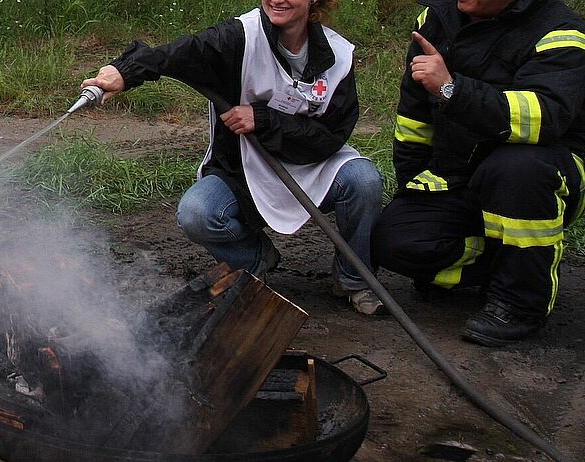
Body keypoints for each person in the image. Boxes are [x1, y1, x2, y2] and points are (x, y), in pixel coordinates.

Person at [82, 0, 386, 314]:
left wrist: (263, 119)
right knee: (198, 212)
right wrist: (123, 72)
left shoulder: (337, 55)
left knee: (364, 180)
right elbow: (182, 53)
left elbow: (331, 138)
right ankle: (255, 260)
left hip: (314, 163)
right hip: (244, 166)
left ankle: (354, 280)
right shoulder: (242, 35)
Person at [371, 0, 585, 346]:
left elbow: (543, 118)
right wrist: (411, 189)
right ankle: (509, 265)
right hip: (460, 173)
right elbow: (415, 118)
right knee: (393, 241)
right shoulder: (436, 18)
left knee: (516, 166)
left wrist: (451, 90)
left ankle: (520, 304)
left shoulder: (560, 31)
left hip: (540, 179)